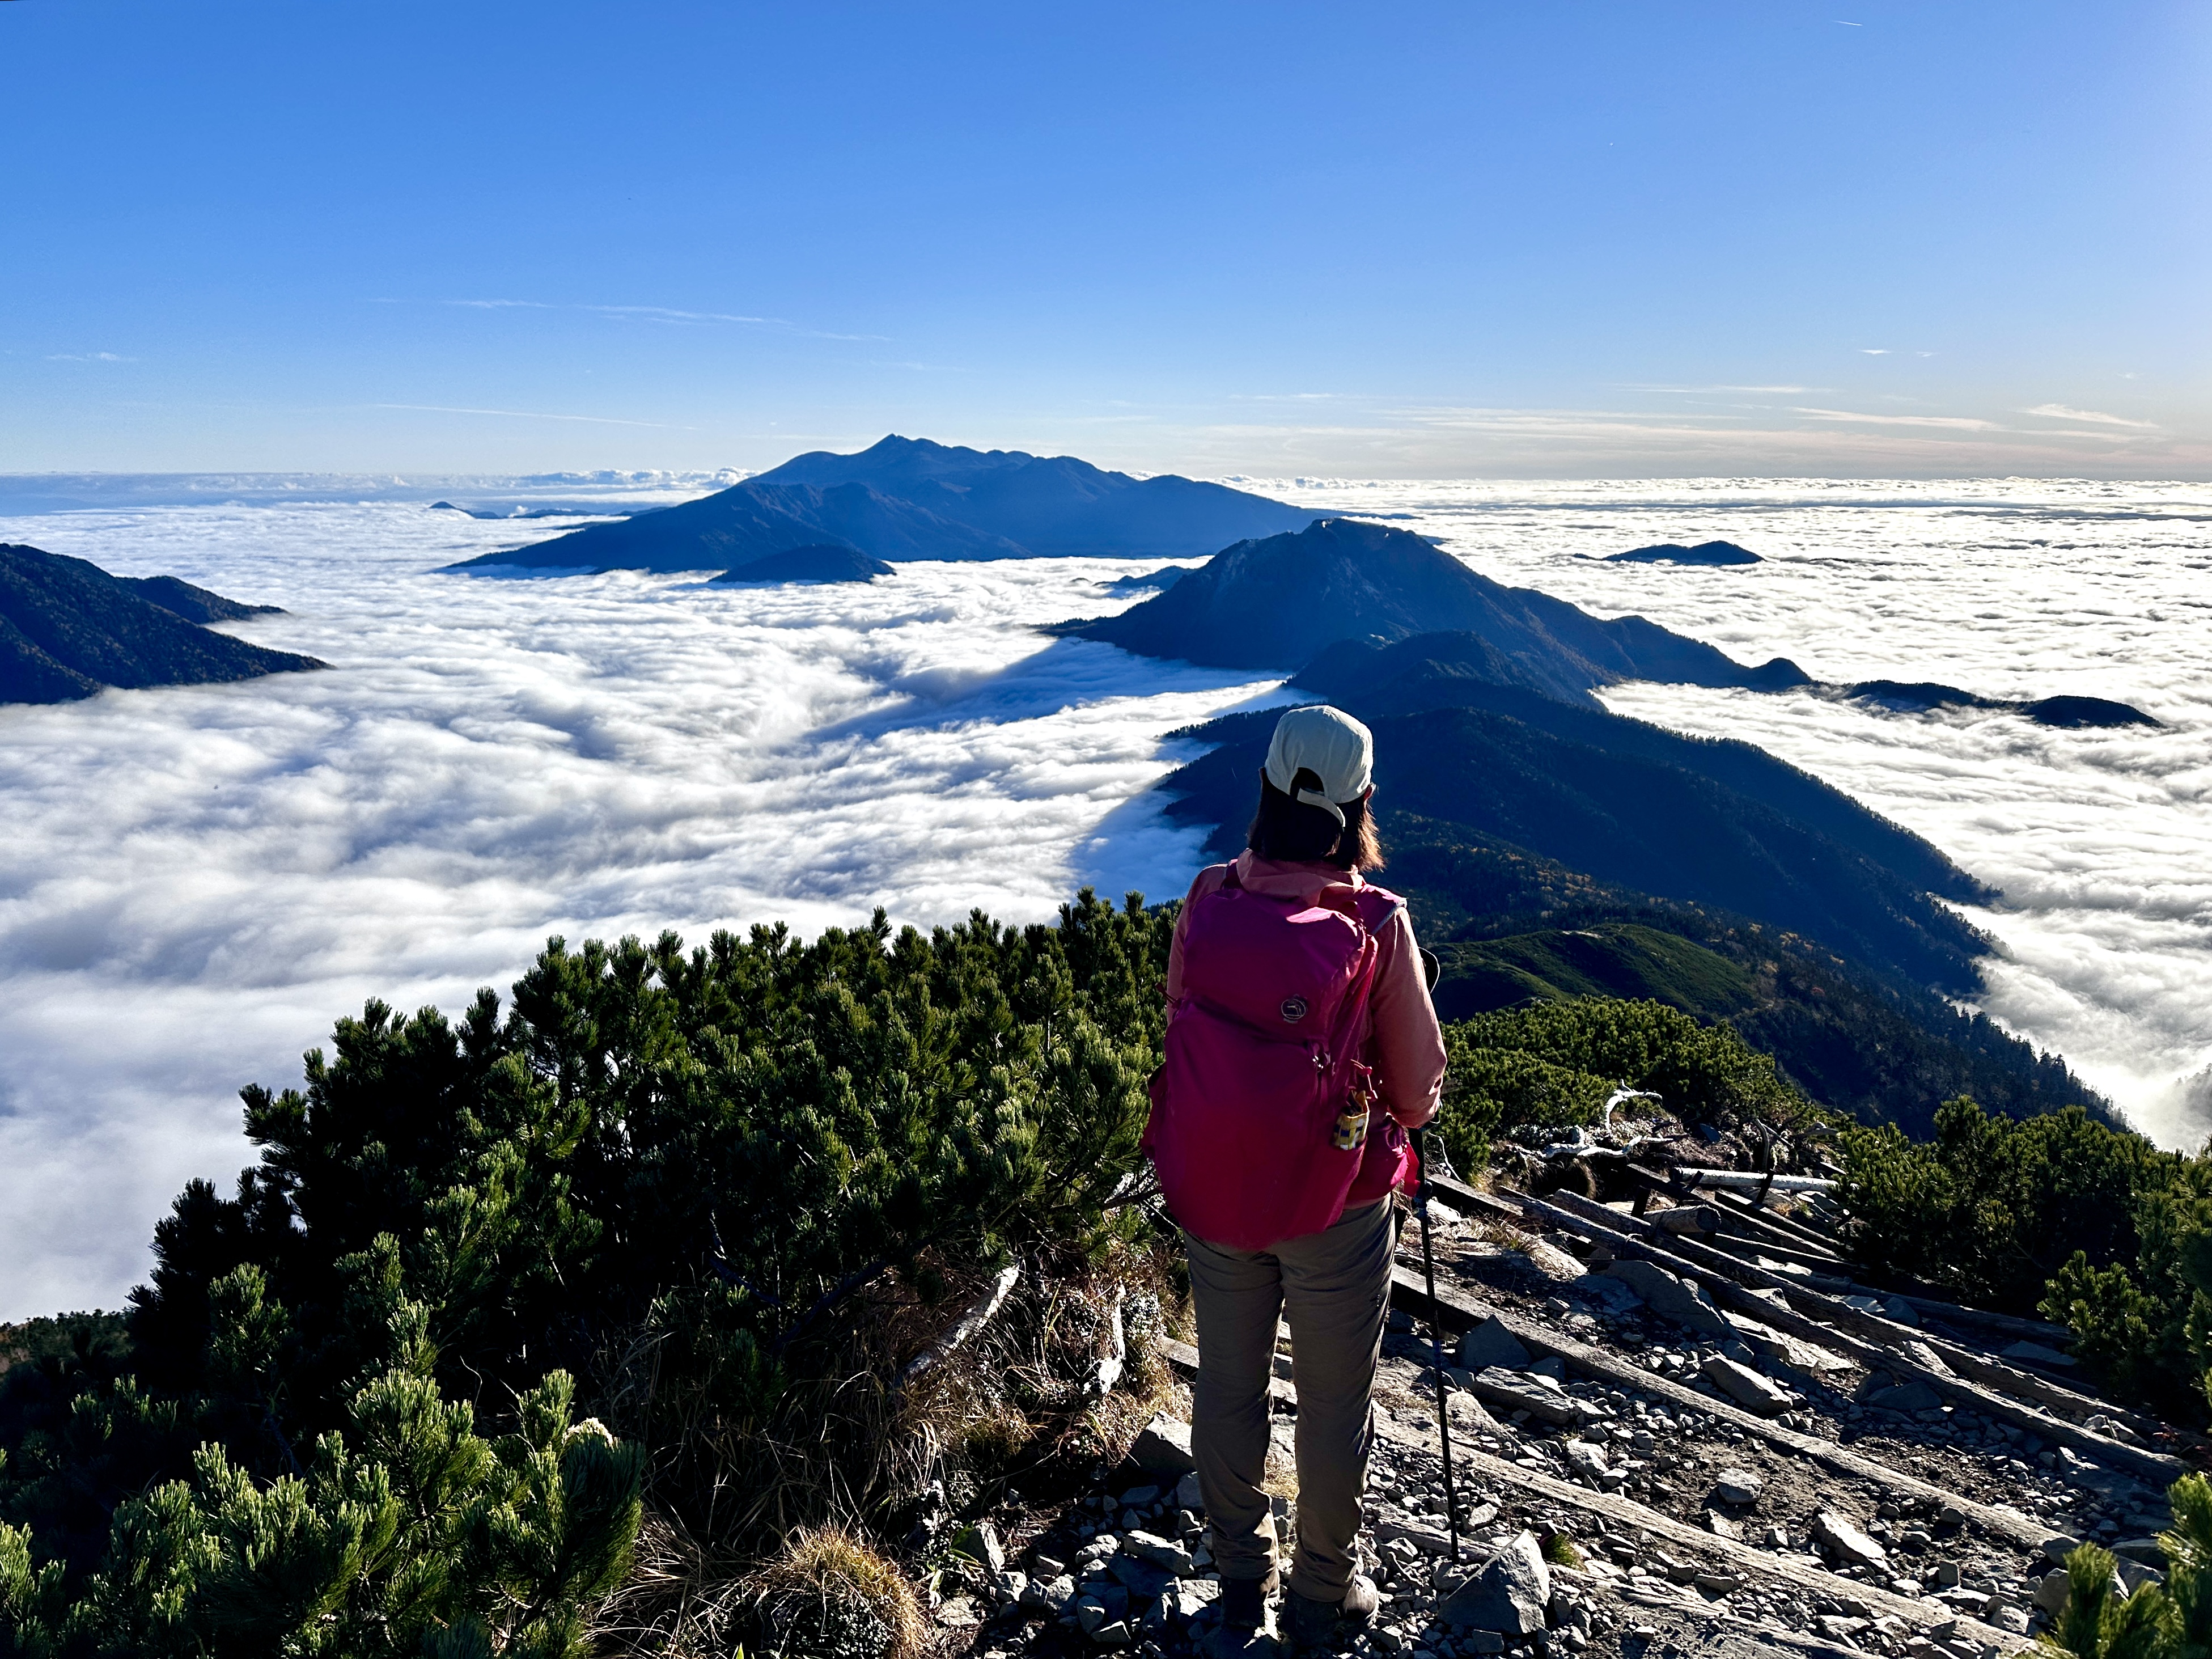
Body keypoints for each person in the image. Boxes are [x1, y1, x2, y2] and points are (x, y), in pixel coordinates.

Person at [1146, 705, 1449, 1654]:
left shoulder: (1203, 897)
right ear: (1360, 803)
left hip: (1216, 1189)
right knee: (1331, 1401)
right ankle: (1322, 1594)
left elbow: (1177, 1023)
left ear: (1267, 789)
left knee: (1228, 1386)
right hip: (1338, 1201)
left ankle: (1241, 1578)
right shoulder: (1375, 922)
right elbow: (1416, 1087)